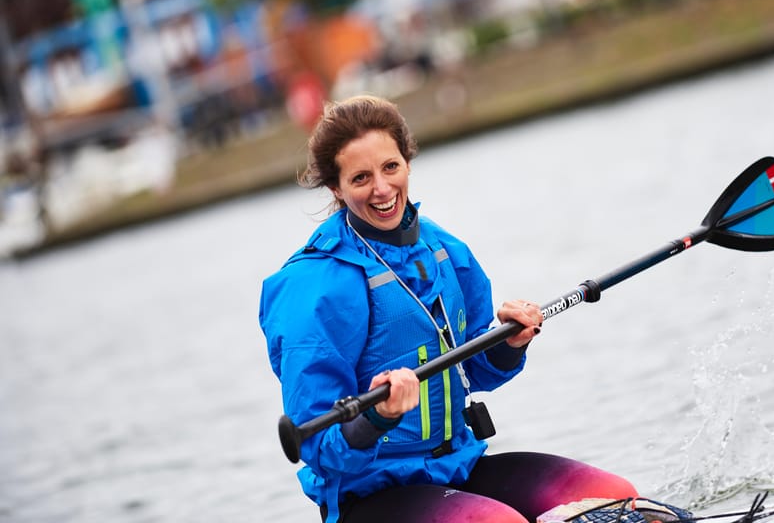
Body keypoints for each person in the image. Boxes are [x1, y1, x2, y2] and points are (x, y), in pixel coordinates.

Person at [259, 95, 651, 522]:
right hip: (369, 497)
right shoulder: (312, 289)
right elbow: (319, 449)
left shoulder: (444, 250)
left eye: (391, 167)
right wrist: (378, 415)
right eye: (360, 178)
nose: (382, 189)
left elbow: (474, 371)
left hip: (457, 467)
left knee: (615, 498)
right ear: (336, 188)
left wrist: (509, 343)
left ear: (407, 162)